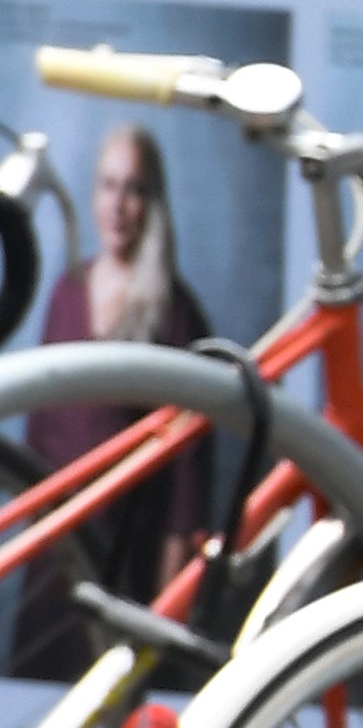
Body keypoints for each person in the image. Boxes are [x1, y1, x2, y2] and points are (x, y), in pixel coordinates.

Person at [17, 124, 216, 680]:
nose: (119, 205)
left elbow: (187, 483)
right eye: (108, 186)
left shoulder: (176, 313)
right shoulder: (67, 292)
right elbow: (39, 431)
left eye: (134, 189)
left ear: (153, 202)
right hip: (54, 563)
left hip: (128, 559)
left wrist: (164, 604)